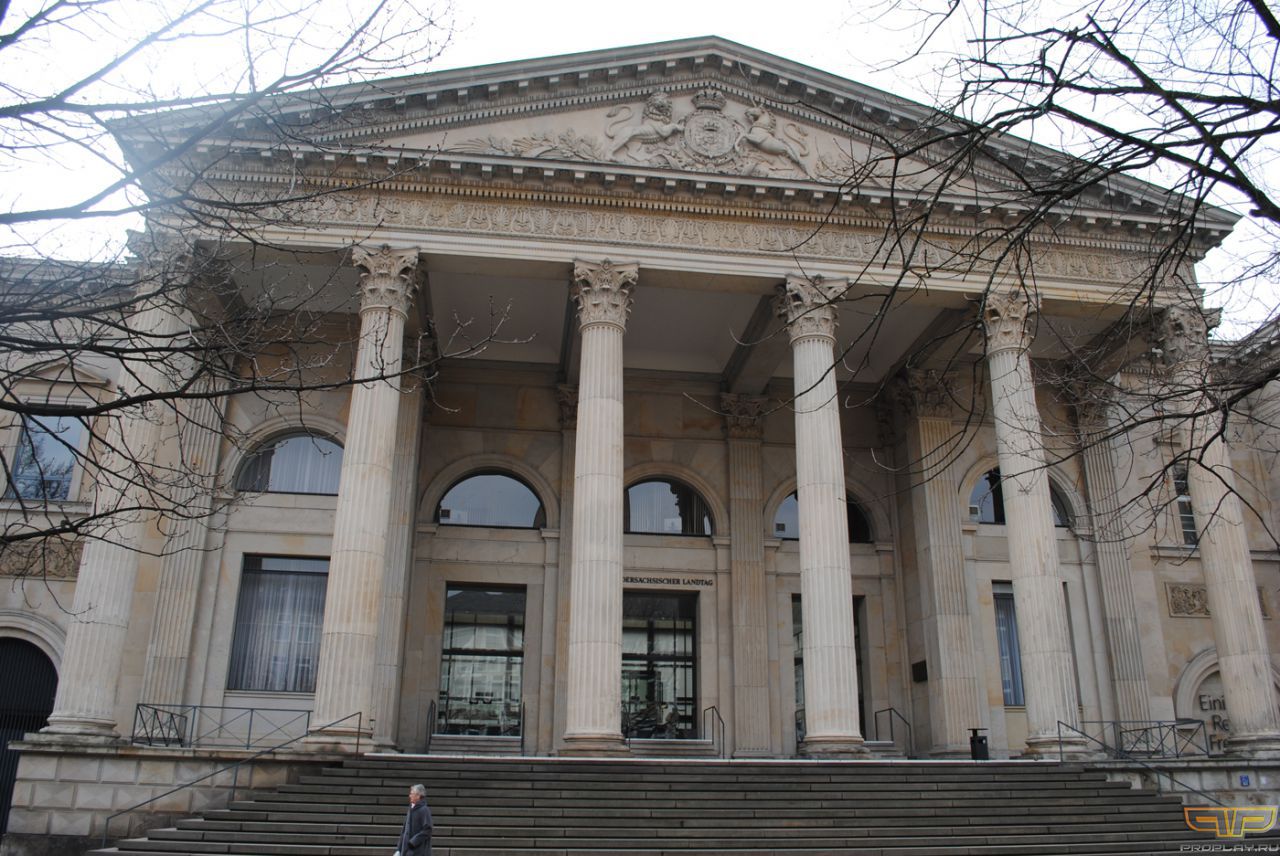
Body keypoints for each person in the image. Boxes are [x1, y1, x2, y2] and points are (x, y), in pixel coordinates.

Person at [397, 783, 432, 856]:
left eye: (411, 794)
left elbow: (427, 830)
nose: (409, 796)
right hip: (407, 851)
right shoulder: (411, 809)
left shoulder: (424, 810)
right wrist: (399, 849)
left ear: (418, 796)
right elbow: (404, 830)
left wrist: (413, 842)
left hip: (418, 851)